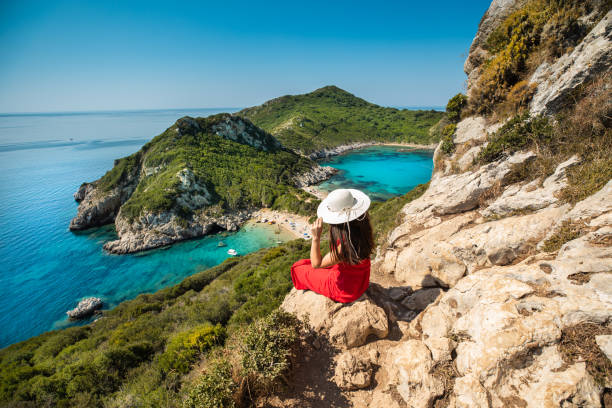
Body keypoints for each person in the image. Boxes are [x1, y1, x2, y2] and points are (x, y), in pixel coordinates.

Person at [290, 188, 374, 303]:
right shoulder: (363, 227)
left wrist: (316, 238)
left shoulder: (345, 245)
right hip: (361, 282)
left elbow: (316, 264)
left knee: (298, 268)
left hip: (346, 290)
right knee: (306, 263)